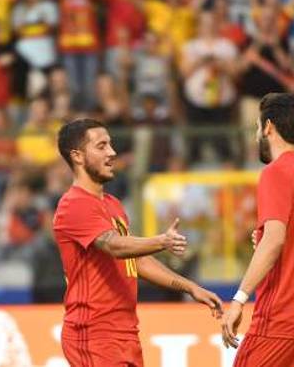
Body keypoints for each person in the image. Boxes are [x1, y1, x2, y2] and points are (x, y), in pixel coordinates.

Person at [53, 118, 223, 366]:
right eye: (101, 146)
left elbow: (138, 260)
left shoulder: (112, 204)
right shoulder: (74, 204)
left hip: (125, 333)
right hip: (93, 333)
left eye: (110, 144)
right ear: (78, 156)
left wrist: (190, 287)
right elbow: (113, 246)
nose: (112, 152)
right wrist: (161, 240)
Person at [221, 93, 294, 367]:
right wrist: (265, 237)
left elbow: (275, 240)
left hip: (284, 317)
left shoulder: (277, 172)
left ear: (269, 127)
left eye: (256, 127)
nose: (256, 135)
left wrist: (239, 299)